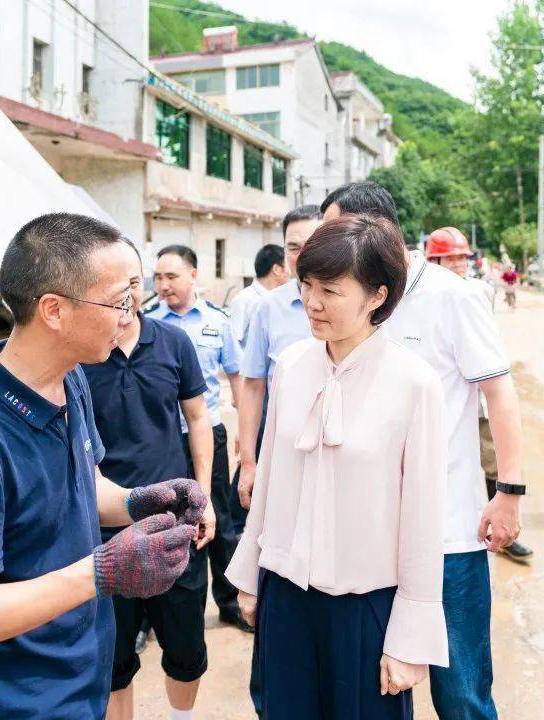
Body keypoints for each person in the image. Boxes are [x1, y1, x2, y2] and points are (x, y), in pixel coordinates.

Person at [0, 213, 203, 719]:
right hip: (17, 701)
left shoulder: (70, 381)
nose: (127, 316)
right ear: (53, 310)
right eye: (118, 302)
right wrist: (101, 572)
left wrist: (138, 501)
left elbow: (83, 488)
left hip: (81, 676)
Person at [227, 214, 449, 719]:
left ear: (377, 296)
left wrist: (410, 638)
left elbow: (423, 518)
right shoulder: (292, 366)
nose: (311, 302)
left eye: (330, 289)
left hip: (365, 604)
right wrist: (250, 574)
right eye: (305, 285)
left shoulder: (414, 383)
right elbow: (272, 483)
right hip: (286, 594)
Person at [323, 182, 525, 720]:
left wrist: (508, 491)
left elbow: (499, 394)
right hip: (371, 540)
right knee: (378, 687)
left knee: (459, 692)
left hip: (446, 536)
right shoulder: (354, 302)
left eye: (338, 232)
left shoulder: (453, 297)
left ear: (376, 232)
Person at [81, 242, 219, 720]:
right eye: (115, 288)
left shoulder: (173, 342)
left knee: (185, 650)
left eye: (134, 283)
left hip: (174, 521)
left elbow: (198, 419)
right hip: (105, 527)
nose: (128, 296)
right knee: (115, 658)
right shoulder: (81, 356)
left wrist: (204, 497)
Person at [233, 205, 321, 717]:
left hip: (339, 463)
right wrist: (248, 461)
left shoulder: (361, 302)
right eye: (292, 246)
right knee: (273, 563)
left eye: (312, 243)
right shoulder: (271, 308)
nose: (301, 254)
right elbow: (253, 386)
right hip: (281, 460)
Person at [147, 244, 252, 636]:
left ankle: (228, 602)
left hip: (209, 434)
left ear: (194, 275)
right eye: (157, 277)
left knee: (219, 517)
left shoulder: (217, 321)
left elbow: (237, 376)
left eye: (171, 276)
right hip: (164, 439)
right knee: (162, 520)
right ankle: (152, 615)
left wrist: (245, 429)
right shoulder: (148, 322)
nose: (163, 285)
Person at [426, 226, 533, 564]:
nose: (458, 262)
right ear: (434, 260)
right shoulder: (423, 301)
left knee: (491, 462)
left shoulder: (476, 291)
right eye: (451, 257)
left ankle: (497, 526)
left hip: (479, 399)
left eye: (462, 256)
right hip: (445, 406)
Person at [228, 244, 288, 349]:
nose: (290, 272)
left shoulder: (283, 300)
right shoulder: (244, 300)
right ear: (276, 269)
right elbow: (233, 346)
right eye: (287, 266)